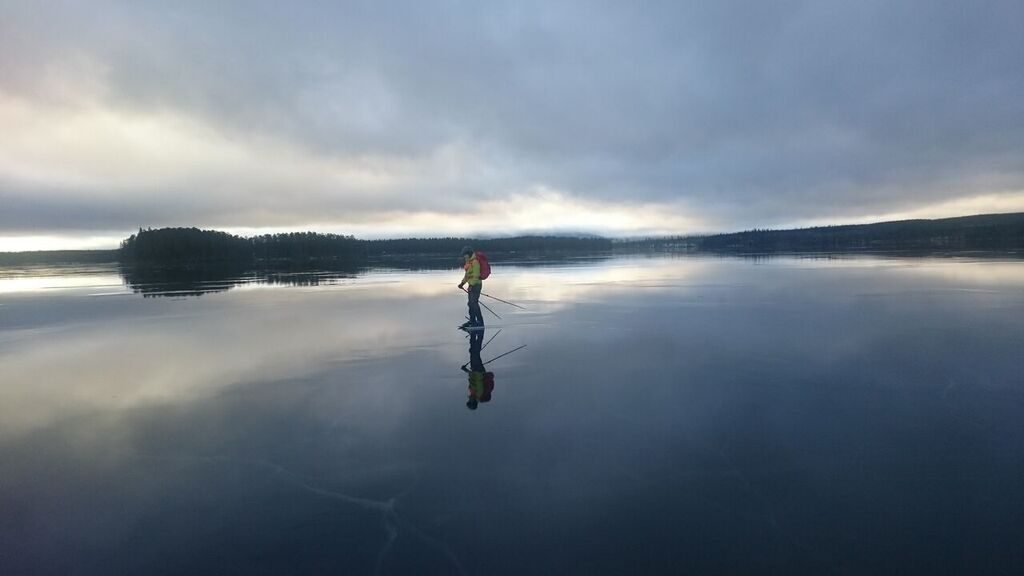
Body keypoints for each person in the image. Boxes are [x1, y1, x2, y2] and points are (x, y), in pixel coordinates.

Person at [461, 329, 494, 410]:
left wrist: (468, 371)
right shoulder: (478, 393)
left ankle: (475, 334)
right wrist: (467, 371)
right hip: (478, 370)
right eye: (469, 401)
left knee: (473, 351)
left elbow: (473, 379)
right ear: (473, 402)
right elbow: (478, 377)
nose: (469, 399)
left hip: (476, 369)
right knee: (474, 352)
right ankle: (478, 334)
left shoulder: (474, 394)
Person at [457, 245, 484, 329]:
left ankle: (480, 322)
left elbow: (476, 275)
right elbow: (467, 275)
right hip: (471, 286)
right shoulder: (469, 263)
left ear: (468, 254)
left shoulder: (475, 262)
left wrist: (471, 285)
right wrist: (462, 284)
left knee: (474, 303)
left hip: (476, 285)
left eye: (465, 254)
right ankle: (472, 321)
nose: (464, 256)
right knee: (470, 303)